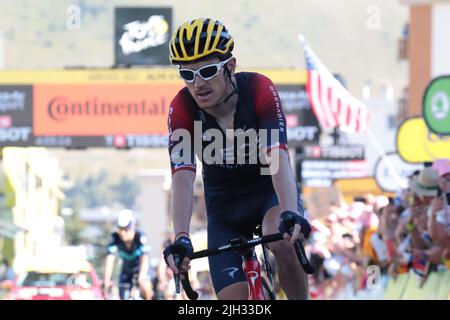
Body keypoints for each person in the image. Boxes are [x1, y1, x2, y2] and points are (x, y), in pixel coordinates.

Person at [163, 18, 311, 300]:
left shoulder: (258, 89)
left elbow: (277, 155)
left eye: (207, 71)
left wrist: (290, 210)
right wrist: (181, 236)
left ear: (230, 66)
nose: (198, 84)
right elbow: (182, 176)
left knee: (280, 239)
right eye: (187, 74)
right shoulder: (181, 108)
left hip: (268, 193)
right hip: (224, 209)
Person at [103, 209, 154, 300]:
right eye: (120, 229)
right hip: (127, 269)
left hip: (142, 267)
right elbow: (110, 259)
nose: (122, 233)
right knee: (122, 290)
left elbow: (145, 259)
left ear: (132, 226)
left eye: (125, 229)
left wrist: (141, 277)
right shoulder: (115, 237)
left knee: (145, 285)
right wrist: (107, 279)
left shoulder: (140, 236)